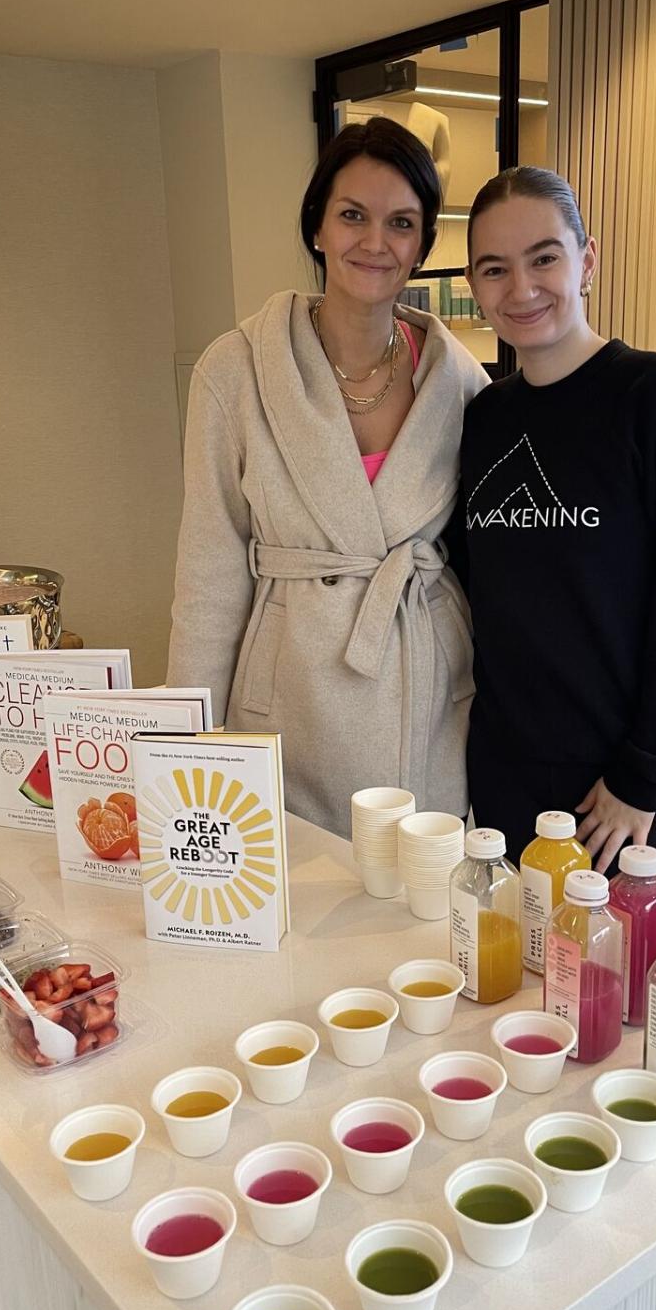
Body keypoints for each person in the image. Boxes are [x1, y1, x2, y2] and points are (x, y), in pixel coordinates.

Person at [166, 118, 488, 837]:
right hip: (293, 697)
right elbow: (210, 573)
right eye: (353, 216)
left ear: (423, 245)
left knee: (416, 917)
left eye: (401, 223)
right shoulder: (235, 370)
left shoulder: (457, 379)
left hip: (427, 697)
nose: (375, 243)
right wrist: (187, 750)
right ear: (317, 227)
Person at [449, 166, 656, 912]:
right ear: (475, 286)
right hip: (507, 783)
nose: (521, 288)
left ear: (587, 260)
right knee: (513, 1003)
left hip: (621, 796)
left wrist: (641, 777)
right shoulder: (484, 421)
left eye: (544, 257)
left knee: (622, 1014)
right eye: (495, 268)